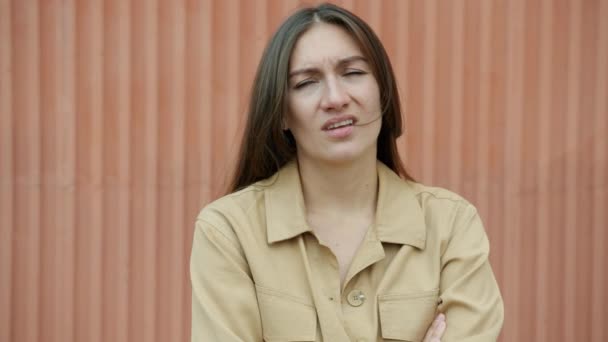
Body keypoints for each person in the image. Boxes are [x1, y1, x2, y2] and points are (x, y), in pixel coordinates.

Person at [190, 3, 503, 341]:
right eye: (307, 82)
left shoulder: (450, 226)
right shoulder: (229, 232)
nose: (336, 98)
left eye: (353, 73)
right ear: (281, 113)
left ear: (382, 90)